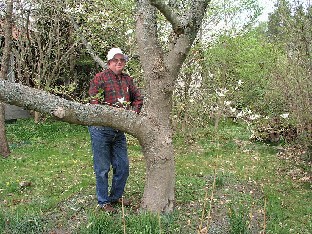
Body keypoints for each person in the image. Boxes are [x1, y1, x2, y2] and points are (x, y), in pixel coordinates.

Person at [88, 48, 143, 212]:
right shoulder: (99, 78)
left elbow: (138, 98)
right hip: (101, 130)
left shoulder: (127, 80)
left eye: (122, 60)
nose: (119, 62)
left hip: (119, 131)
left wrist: (133, 112)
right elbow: (94, 101)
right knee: (102, 168)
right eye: (116, 60)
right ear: (109, 62)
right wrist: (109, 115)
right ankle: (103, 202)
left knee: (123, 166)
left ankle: (116, 196)